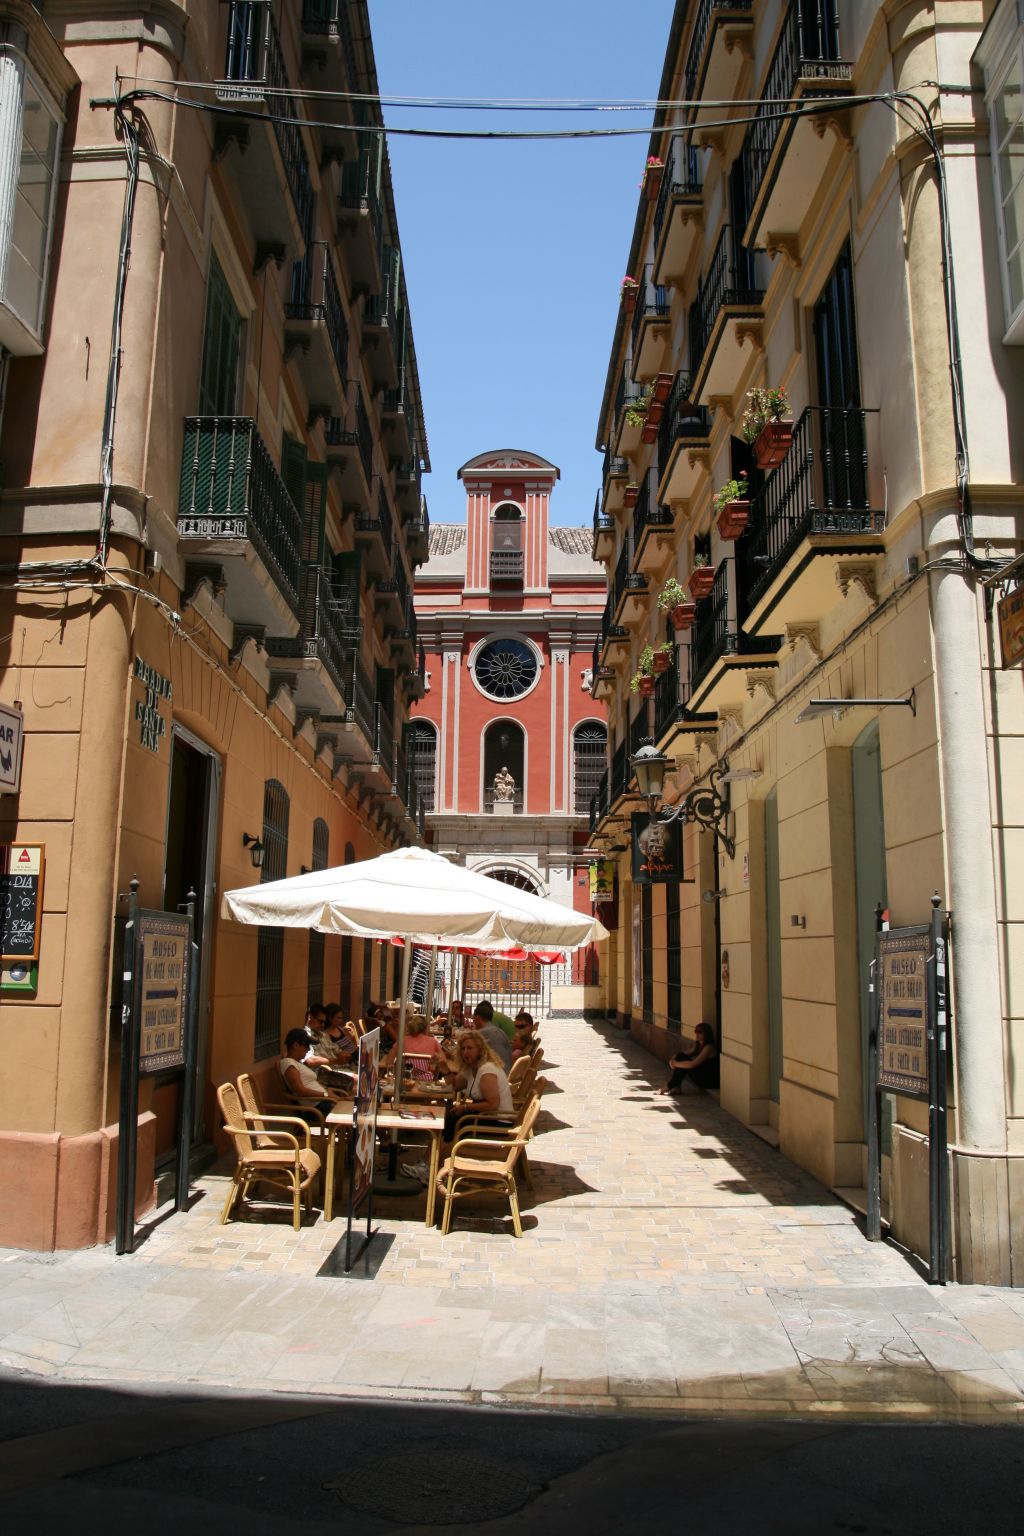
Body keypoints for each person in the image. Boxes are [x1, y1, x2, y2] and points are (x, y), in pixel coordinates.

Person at [403, 1030, 513, 1184]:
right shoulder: (470, 1068)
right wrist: (444, 1068)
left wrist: (465, 1108)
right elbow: (454, 1086)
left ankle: (430, 1167)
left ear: (480, 1049)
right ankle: (426, 1164)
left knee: (451, 1121)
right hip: (482, 1116)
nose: (466, 1052)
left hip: (497, 1121)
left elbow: (493, 1104)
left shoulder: (487, 1070)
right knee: (446, 1120)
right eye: (463, 1049)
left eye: (470, 1048)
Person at [279, 1028, 344, 1118]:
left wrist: (326, 1091)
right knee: (349, 1112)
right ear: (296, 1045)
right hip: (316, 1108)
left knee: (351, 1106)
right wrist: (325, 1095)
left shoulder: (296, 1062)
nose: (308, 1049)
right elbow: (300, 1091)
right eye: (306, 1045)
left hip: (322, 1102)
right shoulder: (289, 1063)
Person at [383, 1009, 443, 1081]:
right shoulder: (433, 1041)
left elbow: (390, 1061)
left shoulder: (403, 1040)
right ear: (426, 1028)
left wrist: (392, 1076)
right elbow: (443, 1061)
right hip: (425, 1083)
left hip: (404, 1082)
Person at [661, 1022, 719, 1094]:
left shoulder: (709, 1047)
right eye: (696, 1031)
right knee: (681, 1056)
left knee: (683, 1061)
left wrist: (675, 1063)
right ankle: (676, 1087)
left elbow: (692, 1064)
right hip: (702, 1076)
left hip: (709, 1080)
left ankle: (670, 1086)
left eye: (700, 1032)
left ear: (707, 1033)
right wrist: (672, 1059)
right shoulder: (698, 1046)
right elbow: (682, 1054)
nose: (697, 1034)